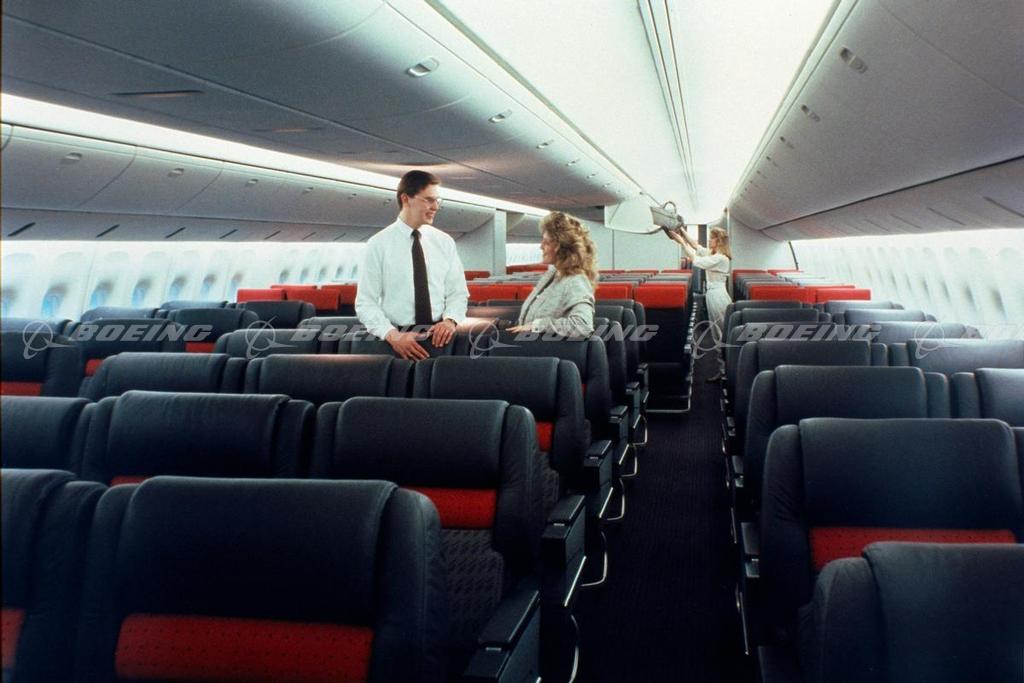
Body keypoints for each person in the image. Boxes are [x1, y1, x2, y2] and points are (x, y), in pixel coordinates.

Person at [356, 170, 469, 360]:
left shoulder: (444, 242)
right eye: (428, 200)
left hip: (439, 339)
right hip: (396, 341)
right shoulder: (378, 244)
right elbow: (365, 302)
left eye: (437, 201)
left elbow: (458, 292)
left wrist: (450, 321)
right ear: (406, 199)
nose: (435, 207)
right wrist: (392, 335)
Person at [507, 211, 596, 337]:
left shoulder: (576, 280)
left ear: (562, 247)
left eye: (546, 242)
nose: (541, 246)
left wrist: (537, 326)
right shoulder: (553, 274)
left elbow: (583, 326)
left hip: (547, 348)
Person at [664, 225, 733, 381]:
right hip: (714, 294)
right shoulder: (714, 254)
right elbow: (696, 246)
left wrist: (681, 242)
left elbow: (696, 260)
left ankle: (725, 372)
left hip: (717, 296)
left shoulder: (721, 258)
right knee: (718, 332)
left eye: (712, 238)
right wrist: (682, 231)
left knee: (719, 334)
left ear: (719, 241)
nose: (709, 240)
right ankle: (723, 370)